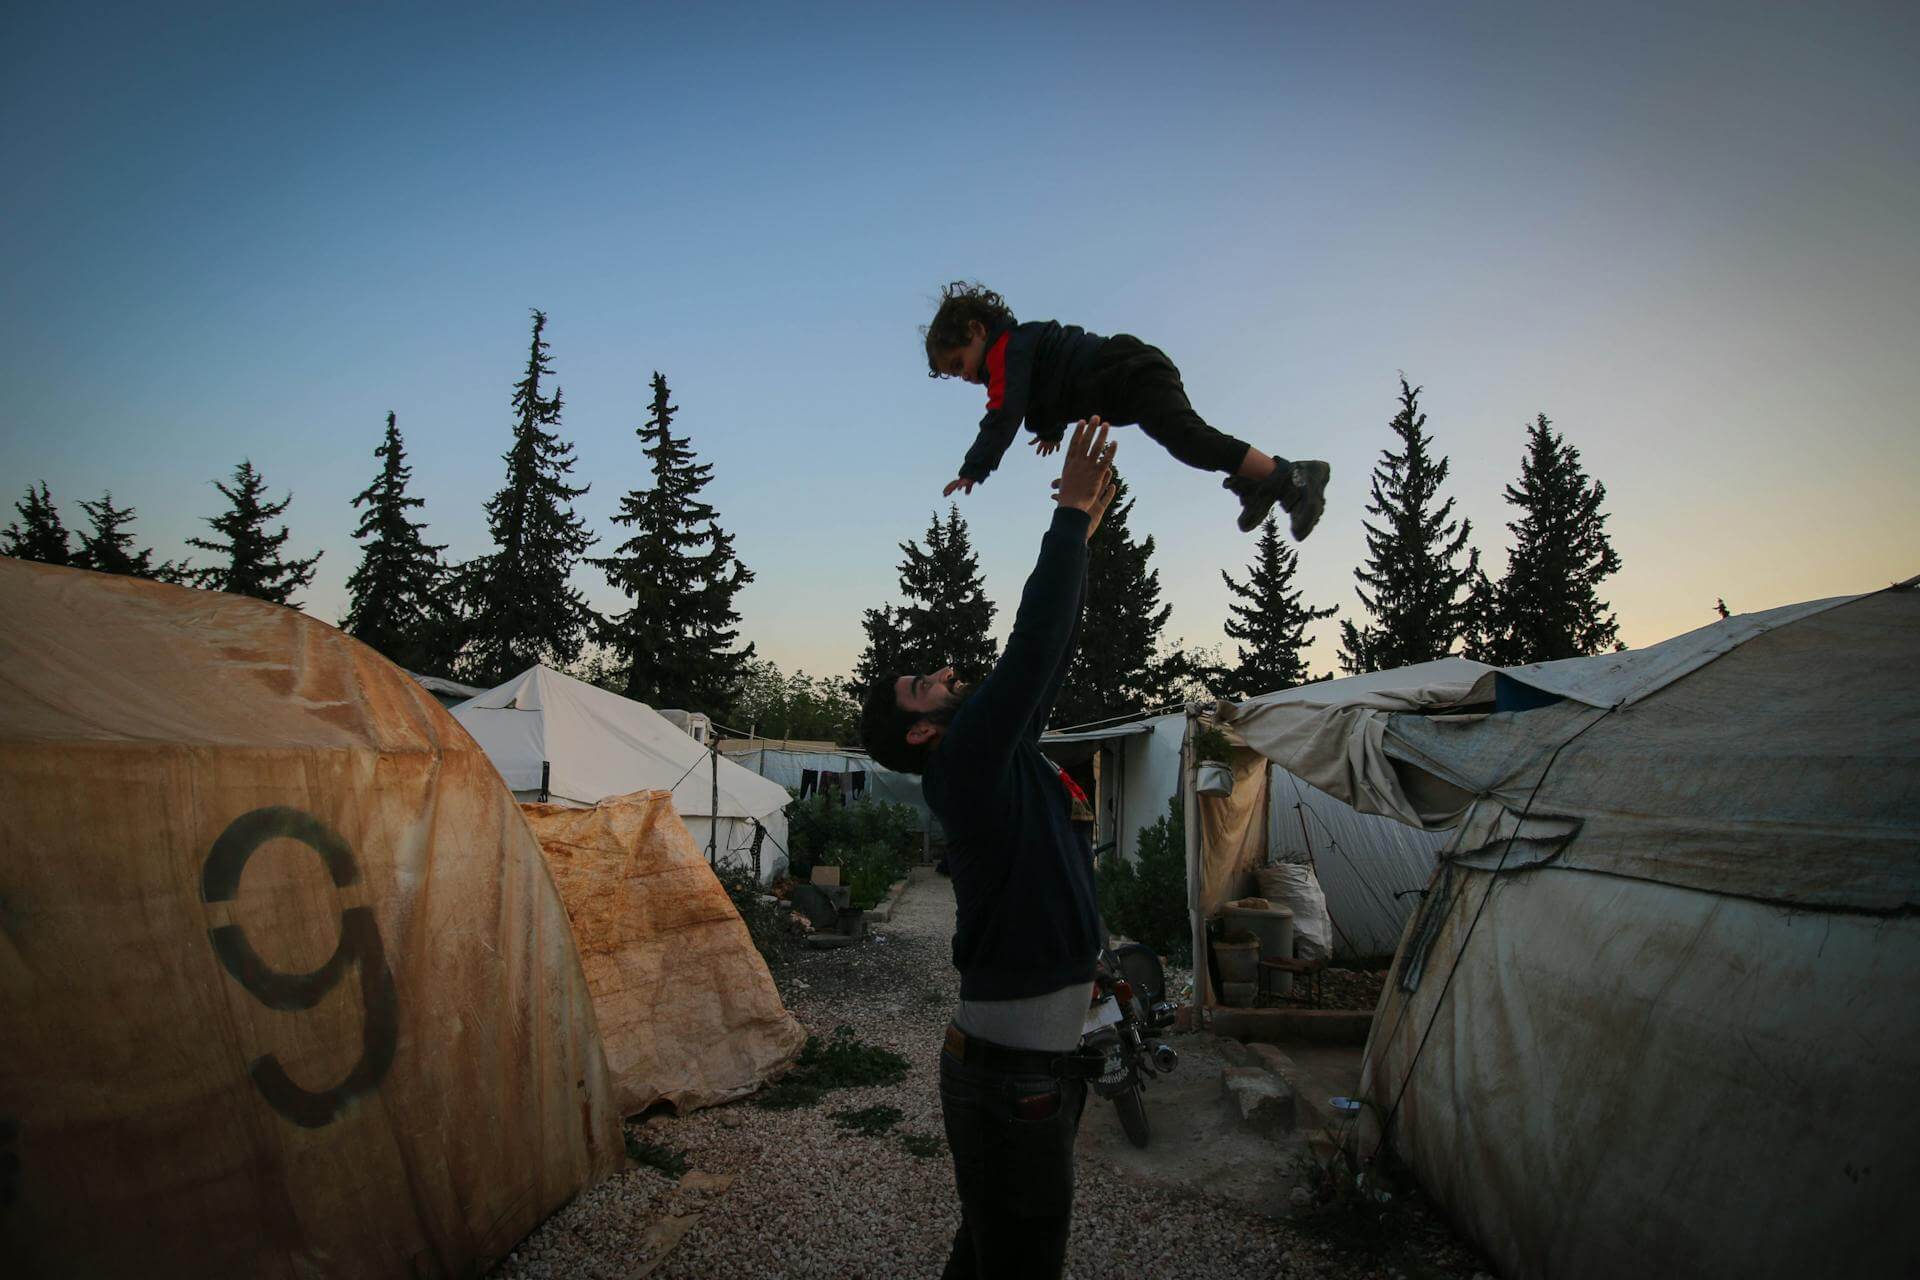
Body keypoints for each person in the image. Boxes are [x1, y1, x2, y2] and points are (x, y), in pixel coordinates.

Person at [860, 418, 1120, 1279]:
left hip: (1032, 1066)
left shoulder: (992, 754)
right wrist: (1068, 518)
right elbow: (1032, 649)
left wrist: (1082, 535)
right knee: (1020, 1258)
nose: (938, 671)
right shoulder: (966, 765)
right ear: (924, 729)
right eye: (919, 685)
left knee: (994, 1254)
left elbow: (1045, 663)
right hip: (1012, 1078)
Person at [922, 280, 1331, 538]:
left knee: (1188, 439)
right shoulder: (1019, 356)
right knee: (1189, 441)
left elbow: (1004, 412)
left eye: (959, 364)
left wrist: (974, 467)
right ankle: (1259, 479)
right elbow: (1046, 394)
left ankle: (1293, 476)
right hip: (1129, 376)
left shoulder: (1008, 350)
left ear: (976, 330)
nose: (965, 377)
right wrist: (1049, 429)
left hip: (1131, 372)